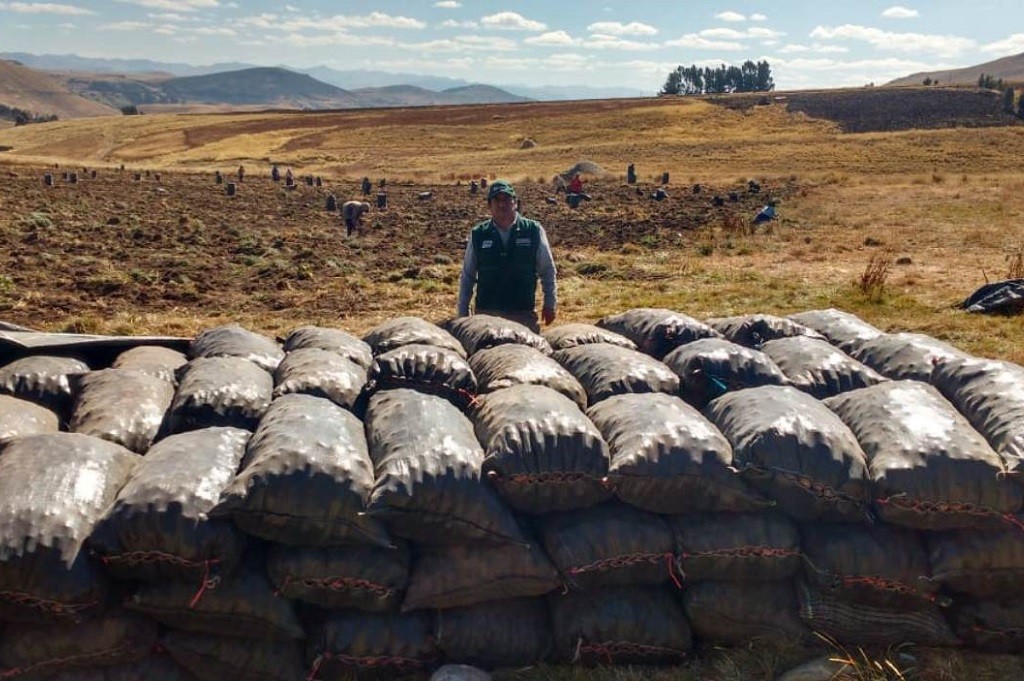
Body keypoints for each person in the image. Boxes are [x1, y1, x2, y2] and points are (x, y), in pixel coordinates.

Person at [458, 180, 557, 332]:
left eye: (506, 199)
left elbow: (547, 271)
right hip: (487, 315)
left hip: (522, 313)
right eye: (496, 200)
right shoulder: (479, 234)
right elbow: (467, 276)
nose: (501, 204)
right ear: (489, 206)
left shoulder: (533, 230)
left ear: (515, 203)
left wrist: (550, 304)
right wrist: (462, 312)